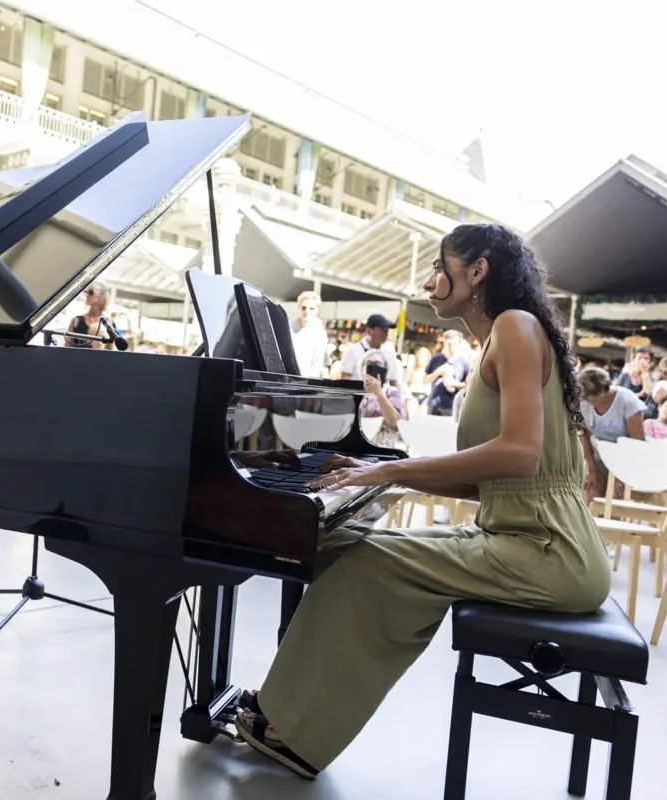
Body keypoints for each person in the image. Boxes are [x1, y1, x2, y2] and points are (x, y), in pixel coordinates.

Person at [229, 223, 609, 779]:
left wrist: (393, 466)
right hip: (521, 536)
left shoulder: (516, 327)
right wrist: (380, 473)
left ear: (476, 271)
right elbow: (488, 481)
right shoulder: (503, 339)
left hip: (550, 551)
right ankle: (288, 704)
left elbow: (522, 453)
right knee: (347, 545)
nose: (431, 279)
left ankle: (294, 731)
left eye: (441, 265)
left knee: (369, 564)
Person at [577, 367, 646, 503]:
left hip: (627, 457)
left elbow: (638, 442)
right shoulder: (583, 402)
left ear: (603, 392)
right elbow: (583, 435)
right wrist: (591, 468)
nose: (588, 403)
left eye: (591, 399)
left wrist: (622, 474)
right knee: (591, 493)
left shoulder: (627, 400)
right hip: (600, 456)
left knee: (616, 498)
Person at [356, 349, 405, 448]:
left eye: (378, 364)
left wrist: (378, 393)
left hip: (382, 447)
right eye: (369, 364)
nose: (373, 367)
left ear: (385, 370)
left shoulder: (391, 392)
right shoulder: (356, 392)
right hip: (358, 446)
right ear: (363, 369)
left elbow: (395, 422)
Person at [338, 313, 402, 386]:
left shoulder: (389, 353)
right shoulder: (353, 350)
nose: (386, 334)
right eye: (383, 331)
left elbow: (393, 382)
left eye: (387, 331)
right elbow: (345, 378)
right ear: (369, 331)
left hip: (381, 396)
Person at [425, 329, 470, 416]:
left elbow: (468, 387)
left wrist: (453, 383)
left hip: (451, 407)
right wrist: (437, 373)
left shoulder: (464, 363)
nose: (451, 347)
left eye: (454, 344)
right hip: (433, 404)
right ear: (444, 343)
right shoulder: (436, 359)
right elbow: (425, 380)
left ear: (459, 344)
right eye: (448, 344)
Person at [290, 290, 328, 378]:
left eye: (311, 308)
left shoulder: (320, 333)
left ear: (317, 310)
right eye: (304, 307)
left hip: (307, 380)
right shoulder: (288, 326)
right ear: (298, 308)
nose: (307, 311)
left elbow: (317, 363)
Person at [65, 281, 109, 349]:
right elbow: (66, 347)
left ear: (101, 296)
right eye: (86, 292)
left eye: (91, 292)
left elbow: (111, 351)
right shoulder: (76, 321)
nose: (87, 295)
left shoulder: (109, 323)